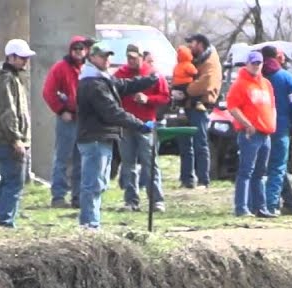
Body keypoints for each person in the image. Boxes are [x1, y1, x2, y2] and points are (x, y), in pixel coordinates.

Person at [75, 44, 156, 230]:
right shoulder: (93, 83)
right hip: (95, 138)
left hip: (100, 138)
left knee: (98, 183)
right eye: (103, 56)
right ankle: (89, 224)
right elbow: (112, 112)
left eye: (108, 56)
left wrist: (148, 80)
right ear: (92, 58)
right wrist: (139, 125)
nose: (106, 60)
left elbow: (123, 85)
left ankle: (91, 223)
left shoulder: (101, 79)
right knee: (94, 183)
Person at [114, 43, 169, 212]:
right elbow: (111, 95)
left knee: (150, 161)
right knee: (128, 163)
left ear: (141, 57)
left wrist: (148, 99)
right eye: (128, 57)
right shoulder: (120, 75)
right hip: (126, 123)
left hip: (146, 123)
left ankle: (156, 200)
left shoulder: (152, 74)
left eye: (134, 57)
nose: (131, 61)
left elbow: (165, 97)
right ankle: (131, 201)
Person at [0, 39, 35, 228]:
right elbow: (8, 111)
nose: (25, 61)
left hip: (7, 138)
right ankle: (5, 222)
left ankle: (3, 220)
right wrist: (16, 138)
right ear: (11, 57)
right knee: (14, 182)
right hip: (9, 140)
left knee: (9, 181)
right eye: (22, 58)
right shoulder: (5, 79)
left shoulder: (10, 77)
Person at [225, 50, 276, 218]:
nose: (256, 66)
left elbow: (272, 107)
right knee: (246, 171)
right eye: (253, 63)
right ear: (247, 64)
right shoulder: (240, 84)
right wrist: (246, 124)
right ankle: (241, 207)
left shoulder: (266, 84)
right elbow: (232, 107)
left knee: (261, 173)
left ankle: (260, 207)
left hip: (265, 134)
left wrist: (272, 124)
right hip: (250, 134)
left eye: (259, 63)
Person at [43, 35, 92, 209]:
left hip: (84, 120)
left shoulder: (88, 68)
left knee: (81, 159)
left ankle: (77, 196)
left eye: (81, 49)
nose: (78, 52)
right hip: (68, 119)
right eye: (75, 49)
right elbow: (48, 92)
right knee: (62, 158)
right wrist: (61, 110)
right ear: (70, 51)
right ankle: (58, 196)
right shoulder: (60, 68)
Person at [175, 33, 222, 189]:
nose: (189, 46)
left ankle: (203, 179)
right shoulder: (192, 60)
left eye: (191, 43)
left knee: (200, 143)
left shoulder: (210, 61)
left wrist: (185, 90)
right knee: (184, 142)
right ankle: (186, 179)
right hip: (186, 105)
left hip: (199, 106)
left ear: (200, 44)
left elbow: (206, 82)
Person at [260, 45, 292, 217]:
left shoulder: (258, 77)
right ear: (277, 57)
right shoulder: (287, 77)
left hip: (261, 127)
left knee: (273, 166)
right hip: (282, 128)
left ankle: (291, 204)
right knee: (277, 167)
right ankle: (271, 204)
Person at [171, 45, 204, 113]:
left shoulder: (177, 66)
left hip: (176, 86)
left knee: (183, 97)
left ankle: (177, 104)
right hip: (186, 84)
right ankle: (196, 103)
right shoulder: (188, 65)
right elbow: (195, 73)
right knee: (195, 91)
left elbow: (173, 75)